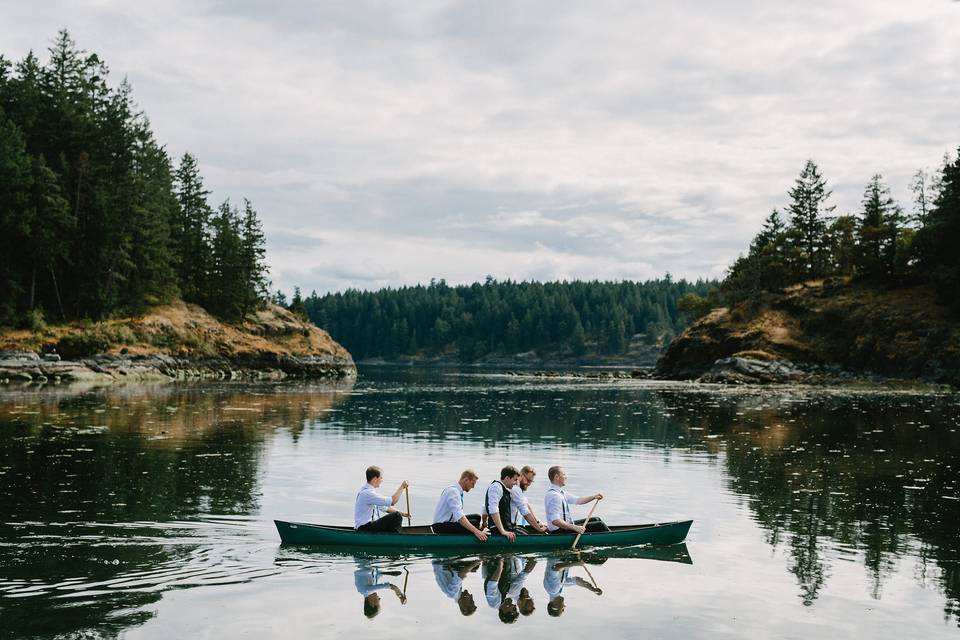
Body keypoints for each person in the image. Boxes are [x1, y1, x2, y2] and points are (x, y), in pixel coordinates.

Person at [544, 465, 609, 534]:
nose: (566, 477)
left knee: (596, 519)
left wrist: (593, 497)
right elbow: (555, 521)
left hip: (565, 526)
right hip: (559, 531)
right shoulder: (555, 496)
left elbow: (578, 500)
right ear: (557, 477)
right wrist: (575, 528)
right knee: (599, 525)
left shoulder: (561, 493)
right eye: (564, 474)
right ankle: (613, 537)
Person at [431, 469, 488, 541]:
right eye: (472, 483)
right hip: (440, 527)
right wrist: (477, 532)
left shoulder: (456, 490)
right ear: (466, 480)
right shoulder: (453, 492)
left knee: (477, 517)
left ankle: (481, 530)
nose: (473, 487)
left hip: (448, 523)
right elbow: (460, 517)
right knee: (475, 524)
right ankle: (479, 534)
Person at [354, 465, 409, 533]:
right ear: (375, 479)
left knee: (397, 515)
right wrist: (402, 487)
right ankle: (396, 539)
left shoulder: (368, 492)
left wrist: (403, 514)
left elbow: (386, 508)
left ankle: (393, 537)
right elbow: (393, 501)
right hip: (364, 529)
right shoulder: (367, 494)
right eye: (381, 478)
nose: (382, 480)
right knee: (397, 516)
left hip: (367, 527)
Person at [485, 466, 521, 541]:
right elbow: (493, 510)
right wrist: (503, 531)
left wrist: (484, 523)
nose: (516, 483)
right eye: (515, 480)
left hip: (506, 528)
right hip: (498, 531)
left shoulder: (504, 489)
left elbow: (484, 508)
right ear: (507, 478)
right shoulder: (496, 487)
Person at [512, 465, 547, 533]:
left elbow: (527, 506)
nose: (529, 484)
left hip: (512, 526)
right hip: (507, 528)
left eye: (531, 481)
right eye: (528, 480)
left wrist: (537, 522)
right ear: (521, 475)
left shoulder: (518, 488)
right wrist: (539, 529)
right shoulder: (515, 488)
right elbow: (525, 513)